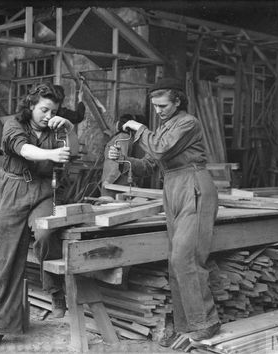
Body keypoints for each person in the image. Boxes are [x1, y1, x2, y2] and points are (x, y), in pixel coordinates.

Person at [115, 78, 221, 346]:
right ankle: (188, 323)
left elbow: (161, 149)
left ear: (177, 102)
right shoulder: (164, 128)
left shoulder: (188, 123)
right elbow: (152, 164)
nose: (158, 110)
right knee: (176, 258)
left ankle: (206, 322)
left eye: (163, 105)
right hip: (172, 185)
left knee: (187, 256)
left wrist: (139, 128)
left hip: (193, 185)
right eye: (155, 106)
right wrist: (125, 161)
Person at [0, 82, 74, 352]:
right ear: (31, 105)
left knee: (46, 232)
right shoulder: (13, 124)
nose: (48, 115)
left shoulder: (55, 128)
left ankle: (56, 292)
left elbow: (75, 152)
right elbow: (23, 150)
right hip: (15, 189)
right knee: (9, 258)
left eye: (53, 111)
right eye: (44, 109)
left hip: (44, 190)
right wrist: (50, 154)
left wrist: (68, 128)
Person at [101, 114, 158, 198]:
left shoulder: (124, 138)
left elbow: (122, 161)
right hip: (113, 184)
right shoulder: (124, 137)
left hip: (114, 184)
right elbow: (117, 164)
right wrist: (109, 182)